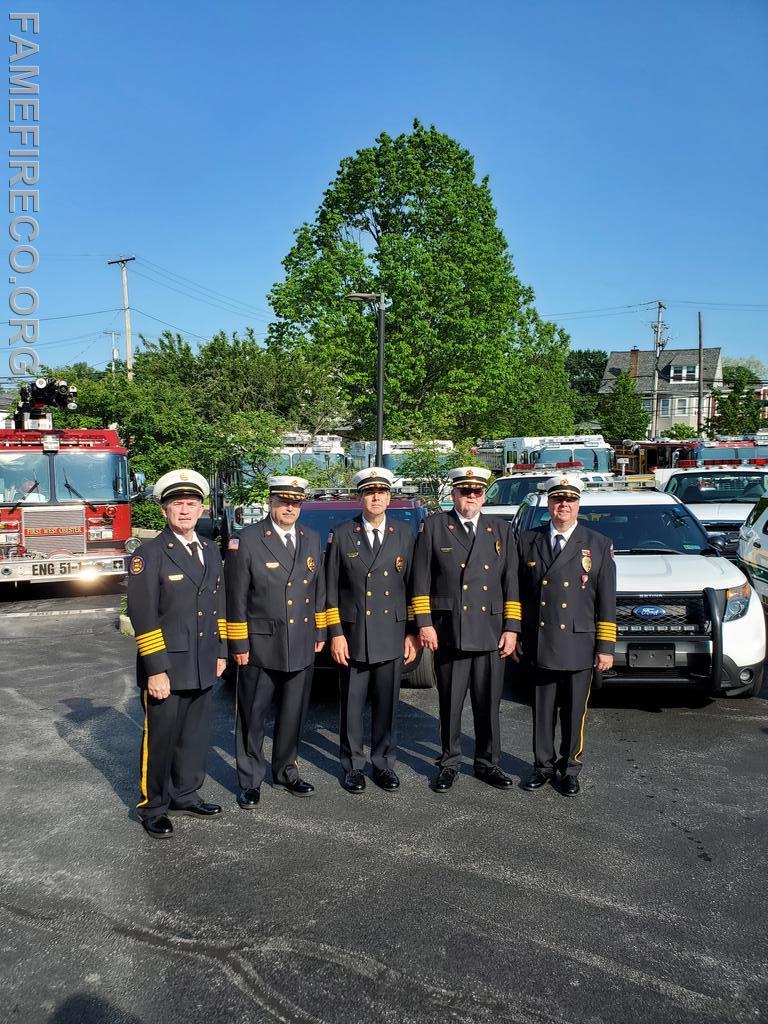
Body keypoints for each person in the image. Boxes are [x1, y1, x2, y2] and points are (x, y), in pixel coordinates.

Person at [127, 469, 227, 838]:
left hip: (203, 660)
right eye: (177, 505)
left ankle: (186, 794)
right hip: (167, 665)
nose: (185, 511)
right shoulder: (149, 553)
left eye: (191, 504)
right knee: (161, 738)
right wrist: (156, 669)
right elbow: (142, 613)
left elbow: (220, 603)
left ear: (202, 508)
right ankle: (153, 806)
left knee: (194, 735)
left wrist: (222, 652)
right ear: (164, 510)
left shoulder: (210, 549)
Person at [410, 466, 521, 793]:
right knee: (451, 703)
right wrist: (424, 623)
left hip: (490, 630)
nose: (470, 497)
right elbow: (420, 580)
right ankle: (449, 763)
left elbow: (511, 582)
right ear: (453, 495)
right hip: (450, 630)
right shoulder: (434, 527)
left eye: (476, 492)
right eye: (464, 492)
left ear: (484, 495)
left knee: (489, 704)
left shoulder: (499, 529)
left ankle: (488, 763)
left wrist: (512, 628)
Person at [225, 475, 326, 805]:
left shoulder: (311, 538)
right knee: (253, 716)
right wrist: (238, 644)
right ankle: (250, 779)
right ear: (270, 502)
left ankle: (286, 771)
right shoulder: (249, 539)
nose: (290, 508)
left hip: (300, 640)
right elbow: (236, 596)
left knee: (293, 713)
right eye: (284, 501)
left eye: (296, 502)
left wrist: (320, 631)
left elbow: (318, 591)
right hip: (260, 644)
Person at [517, 475, 616, 796]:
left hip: (579, 641)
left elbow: (606, 599)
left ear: (578, 505)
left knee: (575, 711)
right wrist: (515, 632)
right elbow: (517, 592)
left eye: (570, 500)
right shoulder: (527, 540)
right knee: (542, 709)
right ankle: (542, 766)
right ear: (548, 504)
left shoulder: (597, 544)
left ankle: (570, 767)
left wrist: (605, 646)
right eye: (558, 500)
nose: (564, 505)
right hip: (541, 640)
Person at [324, 467, 418, 793]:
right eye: (369, 492)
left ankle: (383, 764)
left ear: (390, 497)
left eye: (381, 492)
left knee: (387, 704)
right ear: (360, 497)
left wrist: (413, 632)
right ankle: (352, 766)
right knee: (351, 705)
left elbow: (412, 586)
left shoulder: (405, 534)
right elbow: (330, 589)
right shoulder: (342, 533)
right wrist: (335, 633)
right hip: (353, 635)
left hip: (391, 633)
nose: (375, 497)